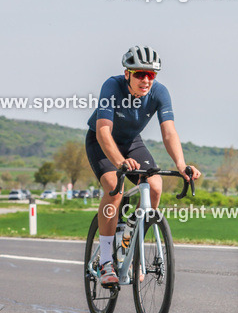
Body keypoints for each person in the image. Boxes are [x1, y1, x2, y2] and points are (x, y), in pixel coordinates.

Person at [85, 46, 200, 287]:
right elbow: (104, 129)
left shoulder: (159, 93)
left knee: (155, 186)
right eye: (139, 74)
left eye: (151, 75)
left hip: (131, 143)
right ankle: (106, 259)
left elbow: (169, 132)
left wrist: (180, 164)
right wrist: (119, 162)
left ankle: (130, 237)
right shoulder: (112, 86)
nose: (146, 80)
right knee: (112, 187)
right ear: (127, 73)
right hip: (102, 141)